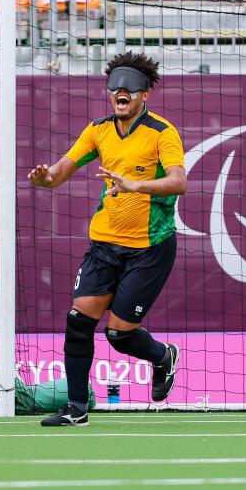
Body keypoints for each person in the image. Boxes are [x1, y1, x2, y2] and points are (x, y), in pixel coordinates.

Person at [27, 52, 187, 427]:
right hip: (103, 243)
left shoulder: (162, 133)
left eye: (129, 86)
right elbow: (58, 173)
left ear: (145, 93)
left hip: (150, 247)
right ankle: (77, 407)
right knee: (78, 320)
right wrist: (44, 178)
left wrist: (136, 184)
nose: (121, 92)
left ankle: (162, 356)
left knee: (118, 333)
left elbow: (179, 182)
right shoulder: (98, 130)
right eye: (115, 86)